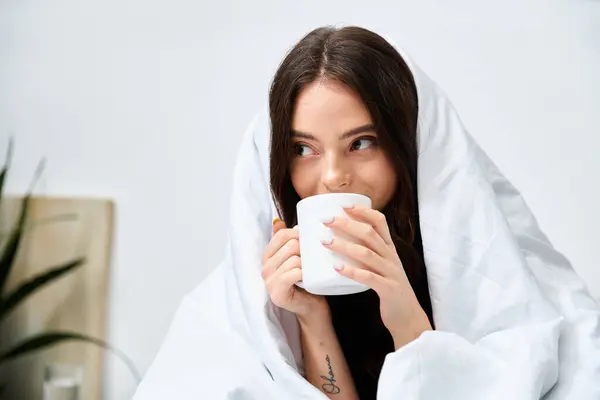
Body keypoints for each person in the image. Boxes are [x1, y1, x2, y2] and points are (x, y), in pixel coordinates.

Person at [133, 26, 600, 400]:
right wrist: (311, 321)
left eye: (361, 143)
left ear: (408, 145)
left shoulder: (496, 271)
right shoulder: (249, 294)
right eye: (303, 149)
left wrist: (405, 316)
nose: (334, 176)